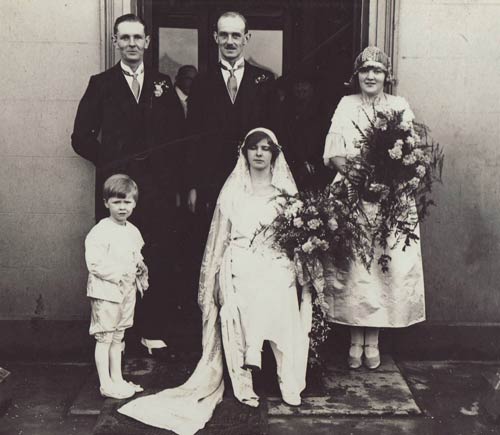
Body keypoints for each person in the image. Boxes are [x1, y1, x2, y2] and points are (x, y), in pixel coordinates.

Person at [118, 128, 312, 434]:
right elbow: (219, 243)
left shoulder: (286, 193)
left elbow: (297, 241)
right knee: (244, 288)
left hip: (275, 261)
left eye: (265, 148)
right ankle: (245, 376)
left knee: (279, 288)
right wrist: (217, 277)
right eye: (253, 148)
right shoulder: (234, 191)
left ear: (274, 154)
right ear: (244, 153)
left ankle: (288, 379)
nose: (259, 154)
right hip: (240, 261)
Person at [71, 13, 180, 354]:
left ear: (148, 42)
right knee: (117, 256)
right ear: (115, 42)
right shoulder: (101, 83)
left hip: (156, 189)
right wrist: (111, 163)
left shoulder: (162, 83)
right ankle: (118, 335)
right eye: (125, 38)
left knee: (154, 254)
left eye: (138, 38)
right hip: (118, 189)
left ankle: (150, 331)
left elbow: (180, 135)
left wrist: (166, 175)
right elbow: (80, 137)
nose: (132, 44)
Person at [322, 46, 425, 370]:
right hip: (352, 192)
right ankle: (355, 340)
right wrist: (357, 176)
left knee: (383, 265)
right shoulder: (346, 104)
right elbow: (335, 153)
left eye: (377, 71)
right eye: (365, 70)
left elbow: (410, 155)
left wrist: (387, 181)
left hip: (388, 196)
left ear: (386, 76)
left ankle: (373, 340)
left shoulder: (398, 106)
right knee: (355, 266)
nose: (370, 76)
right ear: (357, 75)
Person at [186, 11, 277, 215]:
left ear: (247, 38)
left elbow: (275, 131)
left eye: (236, 35)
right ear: (215, 37)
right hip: (211, 178)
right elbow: (191, 137)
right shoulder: (202, 82)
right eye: (224, 35)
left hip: (255, 175)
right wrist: (192, 185)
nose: (230, 41)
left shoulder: (264, 80)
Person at [85, 174, 148, 399]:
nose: (122, 207)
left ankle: (117, 378)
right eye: (117, 202)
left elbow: (136, 255)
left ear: (134, 203)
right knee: (105, 337)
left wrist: (139, 268)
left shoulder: (132, 231)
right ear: (106, 203)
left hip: (126, 292)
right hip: (106, 292)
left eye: (127, 202)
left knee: (118, 336)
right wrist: (119, 274)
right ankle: (105, 383)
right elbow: (94, 263)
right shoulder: (100, 231)